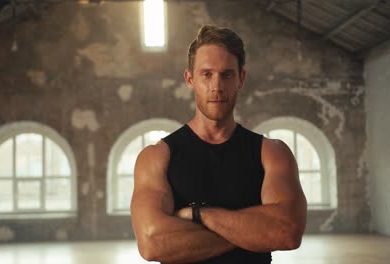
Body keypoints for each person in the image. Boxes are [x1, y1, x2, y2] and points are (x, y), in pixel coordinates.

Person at [130, 25, 307, 264]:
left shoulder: (271, 153)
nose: (217, 86)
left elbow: (288, 231)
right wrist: (255, 233)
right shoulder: (157, 157)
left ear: (241, 78)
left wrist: (199, 215)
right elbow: (153, 243)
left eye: (226, 74)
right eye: (206, 74)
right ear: (190, 79)